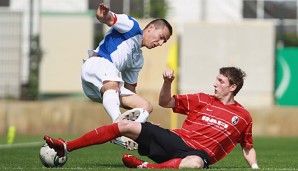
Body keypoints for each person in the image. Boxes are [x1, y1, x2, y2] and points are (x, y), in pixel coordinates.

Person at [44, 67, 259, 169]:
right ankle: (66, 146)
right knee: (125, 125)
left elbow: (247, 147)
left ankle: (144, 167)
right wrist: (167, 82)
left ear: (233, 87)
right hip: (175, 140)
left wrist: (254, 167)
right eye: (216, 79)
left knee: (194, 165)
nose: (215, 84)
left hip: (199, 154)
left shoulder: (243, 116)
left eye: (220, 81)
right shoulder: (202, 99)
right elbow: (166, 102)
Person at [81, 3, 172, 149]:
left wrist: (143, 122)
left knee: (146, 106)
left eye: (164, 41)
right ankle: (118, 127)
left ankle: (129, 130)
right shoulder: (132, 26)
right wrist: (102, 15)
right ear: (151, 28)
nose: (161, 43)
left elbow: (130, 93)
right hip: (96, 66)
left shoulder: (138, 59)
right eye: (161, 37)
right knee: (113, 81)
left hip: (102, 89)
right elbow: (109, 18)